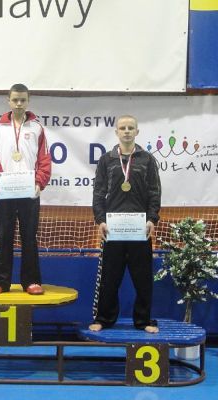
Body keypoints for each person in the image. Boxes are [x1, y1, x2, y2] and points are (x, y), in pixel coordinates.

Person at [90, 115, 161, 333]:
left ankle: (143, 321)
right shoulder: (106, 160)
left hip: (140, 228)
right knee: (109, 277)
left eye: (131, 128)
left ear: (137, 132)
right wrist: (100, 220)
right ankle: (104, 319)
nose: (127, 131)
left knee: (143, 278)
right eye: (123, 128)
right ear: (116, 132)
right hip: (113, 228)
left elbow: (154, 192)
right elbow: (98, 192)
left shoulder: (147, 159)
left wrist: (152, 219)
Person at [0, 83, 51, 295]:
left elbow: (44, 159)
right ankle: (0, 282)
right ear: (8, 101)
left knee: (29, 237)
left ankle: (31, 281)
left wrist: (39, 183)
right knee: (3, 237)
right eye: (15, 100)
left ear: (28, 101)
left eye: (23, 100)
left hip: (29, 192)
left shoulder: (37, 128)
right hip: (4, 191)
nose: (19, 104)